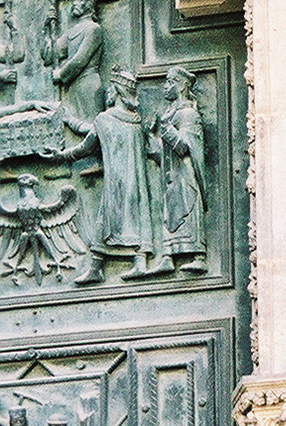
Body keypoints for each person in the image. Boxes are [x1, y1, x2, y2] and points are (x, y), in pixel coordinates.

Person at [62, 69, 156, 284]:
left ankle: (96, 267)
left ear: (117, 93)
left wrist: (61, 155)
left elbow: (85, 147)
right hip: (137, 183)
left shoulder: (105, 119)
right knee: (138, 218)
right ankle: (139, 263)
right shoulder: (137, 122)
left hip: (116, 183)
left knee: (106, 220)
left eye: (109, 91)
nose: (106, 95)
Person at [153, 67, 208, 270]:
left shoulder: (188, 114)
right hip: (171, 177)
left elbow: (185, 147)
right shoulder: (170, 114)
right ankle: (168, 257)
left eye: (169, 82)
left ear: (181, 85)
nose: (165, 87)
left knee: (189, 210)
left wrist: (165, 129)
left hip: (186, 177)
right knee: (171, 213)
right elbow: (162, 153)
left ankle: (199, 257)